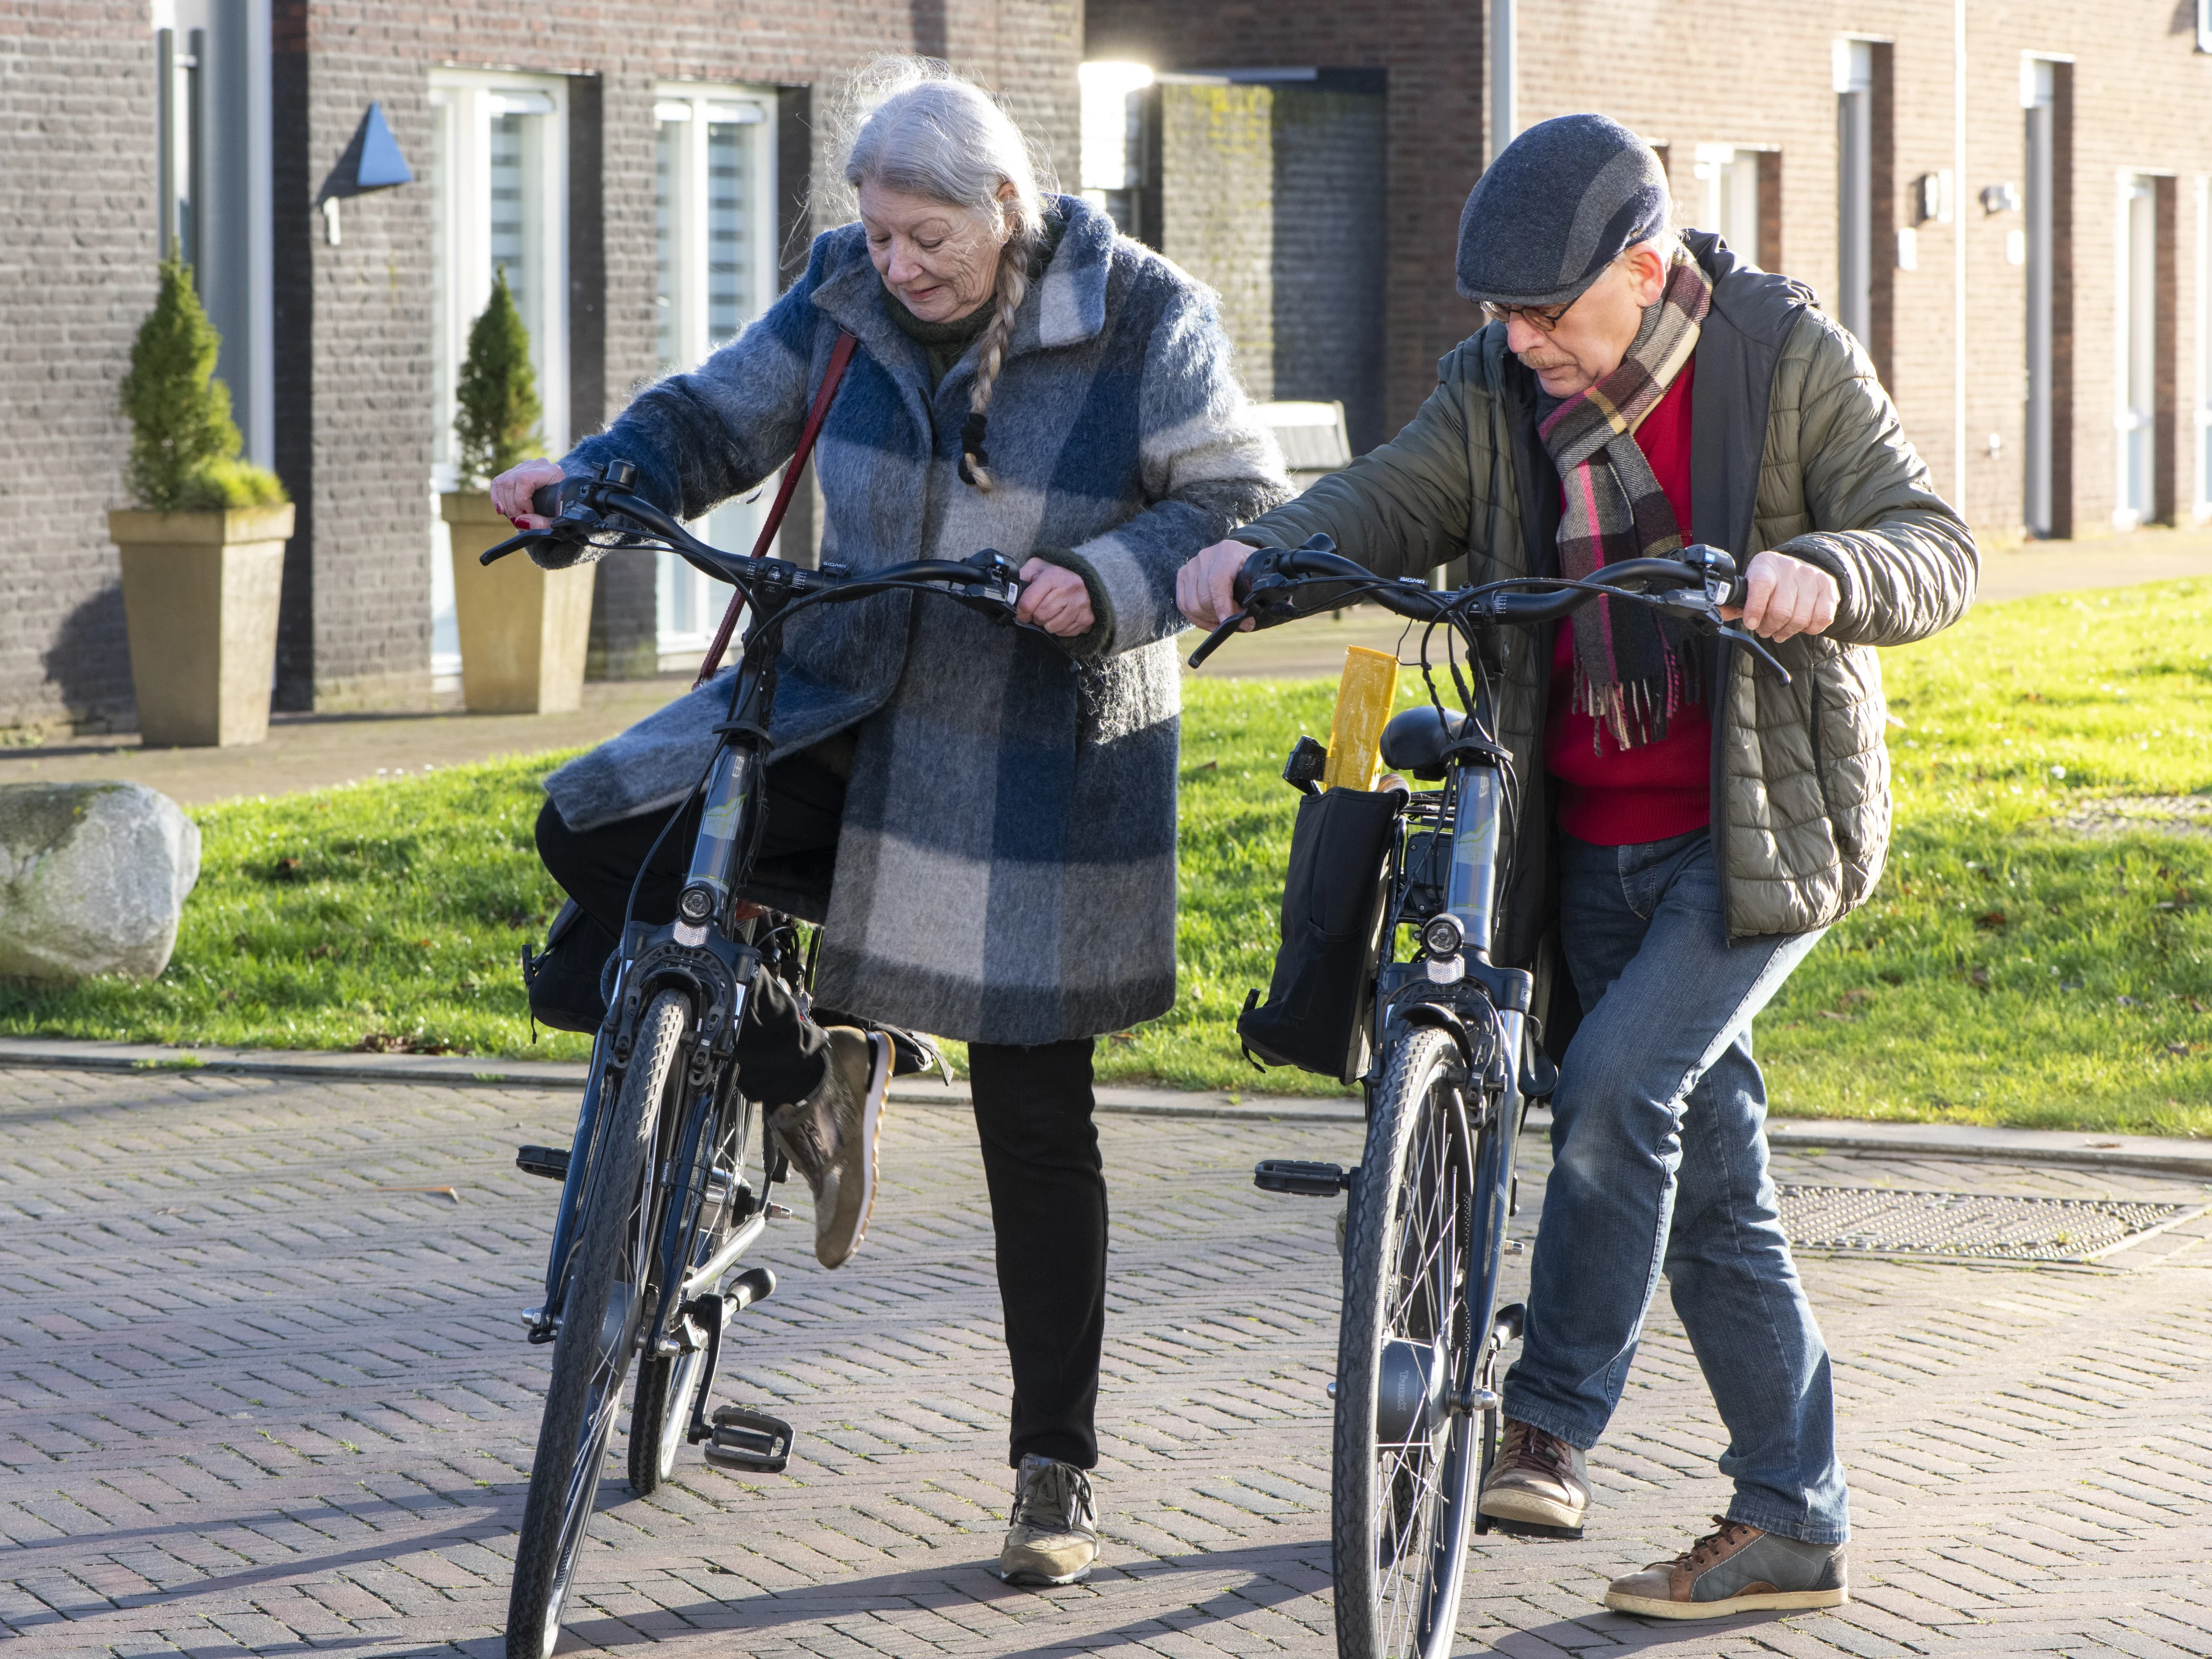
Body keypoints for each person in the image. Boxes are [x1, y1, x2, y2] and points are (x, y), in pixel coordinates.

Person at [494, 60, 1287, 1588]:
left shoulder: (1143, 315)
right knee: (601, 834)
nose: (899, 262)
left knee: (1034, 1123)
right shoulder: (842, 293)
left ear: (1004, 205)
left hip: (1035, 751)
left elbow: (1236, 497)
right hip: (845, 698)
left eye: (927, 235)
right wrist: (592, 485)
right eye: (879, 231)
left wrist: (1111, 580)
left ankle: (1054, 1469)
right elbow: (714, 420)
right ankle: (799, 1057)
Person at [1179, 113, 1975, 1619]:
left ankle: (1544, 1421)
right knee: (1706, 1180)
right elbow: (1393, 496)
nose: (1519, 339)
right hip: (1579, 837)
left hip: (1757, 837)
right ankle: (1792, 1517)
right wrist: (1270, 554)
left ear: (1645, 266)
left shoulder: (1782, 358)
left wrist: (1834, 569)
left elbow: (1934, 542)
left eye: (1547, 310)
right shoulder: (1494, 387)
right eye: (1500, 313)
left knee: (1615, 1092)